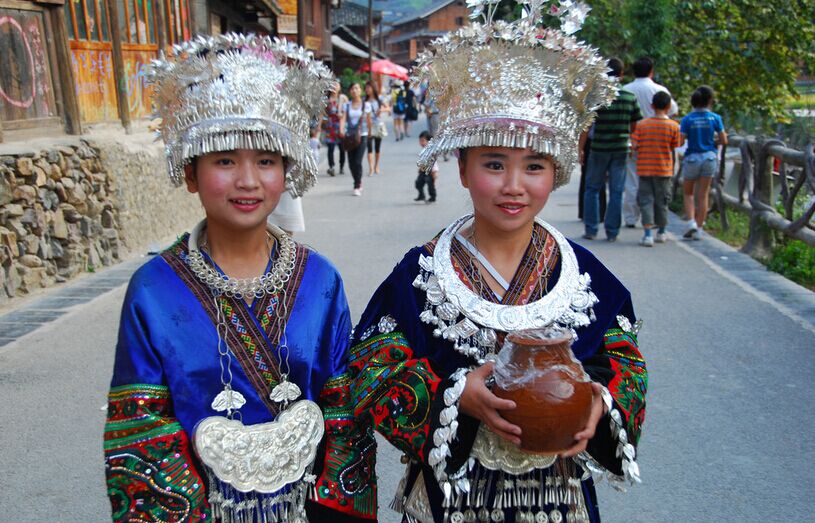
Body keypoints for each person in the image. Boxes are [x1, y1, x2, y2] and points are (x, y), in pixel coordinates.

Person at [348, 4, 646, 522]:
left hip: (560, 499)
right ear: (461, 168)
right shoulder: (419, 275)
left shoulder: (586, 276)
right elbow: (370, 370)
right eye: (493, 164)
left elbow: (625, 360)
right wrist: (457, 396)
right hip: (452, 500)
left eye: (534, 166)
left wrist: (600, 401)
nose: (514, 186)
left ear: (557, 172)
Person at [102, 34, 377, 523]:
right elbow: (142, 428)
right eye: (225, 159)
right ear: (191, 172)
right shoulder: (154, 289)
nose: (248, 180)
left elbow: (342, 409)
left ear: (286, 172)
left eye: (266, 161)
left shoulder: (320, 279)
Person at [582, 57, 642, 242]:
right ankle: (612, 231)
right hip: (621, 149)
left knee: (592, 188)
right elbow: (634, 126)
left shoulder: (597, 97)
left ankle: (591, 229)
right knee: (616, 191)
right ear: (622, 75)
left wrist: (580, 148)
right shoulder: (629, 97)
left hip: (599, 147)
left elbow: (586, 125)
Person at [621, 57, 679, 228]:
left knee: (632, 181)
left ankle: (631, 218)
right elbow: (673, 109)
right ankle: (654, 220)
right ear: (651, 71)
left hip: (634, 139)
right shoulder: (659, 89)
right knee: (658, 186)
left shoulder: (626, 90)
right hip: (658, 143)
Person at [631, 91, 682, 246]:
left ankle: (647, 235)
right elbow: (676, 145)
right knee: (662, 201)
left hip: (645, 169)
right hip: (664, 170)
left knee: (645, 201)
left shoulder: (641, 125)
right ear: (668, 106)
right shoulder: (674, 126)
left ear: (652, 106)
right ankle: (661, 231)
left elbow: (634, 145)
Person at [680, 85, 727, 240]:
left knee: (688, 193)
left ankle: (691, 222)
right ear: (709, 101)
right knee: (703, 194)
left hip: (692, 158)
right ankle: (699, 229)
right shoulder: (715, 118)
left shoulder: (687, 119)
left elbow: (680, 141)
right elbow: (724, 140)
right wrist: (712, 142)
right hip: (709, 157)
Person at [339, 82, 372, 196]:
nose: (354, 90)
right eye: (352, 89)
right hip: (349, 137)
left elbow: (368, 120)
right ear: (350, 91)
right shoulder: (346, 105)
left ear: (360, 90)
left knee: (358, 161)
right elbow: (343, 119)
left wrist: (369, 133)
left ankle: (357, 184)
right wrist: (341, 129)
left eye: (357, 88)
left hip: (362, 135)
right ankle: (357, 180)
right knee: (351, 163)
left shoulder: (366, 105)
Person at [323, 82, 345, 176]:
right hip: (330, 126)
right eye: (333, 85)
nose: (335, 87)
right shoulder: (326, 100)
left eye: (337, 85)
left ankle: (341, 166)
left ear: (340, 87)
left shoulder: (343, 98)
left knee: (342, 148)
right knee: (330, 148)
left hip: (340, 125)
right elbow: (323, 114)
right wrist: (320, 125)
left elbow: (347, 111)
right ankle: (331, 166)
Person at [365, 81, 384, 176]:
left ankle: (376, 165)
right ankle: (371, 168)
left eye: (369, 87)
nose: (367, 89)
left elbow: (389, 108)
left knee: (377, 147)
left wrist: (381, 110)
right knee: (369, 147)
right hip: (368, 126)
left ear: (373, 88)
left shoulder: (379, 99)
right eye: (366, 88)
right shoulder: (364, 100)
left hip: (378, 125)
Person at [413, 131, 438, 203]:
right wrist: (420, 168)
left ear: (429, 141)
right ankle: (421, 195)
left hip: (430, 171)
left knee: (431, 185)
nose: (421, 142)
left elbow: (434, 162)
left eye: (423, 141)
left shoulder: (431, 151)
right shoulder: (423, 150)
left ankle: (432, 197)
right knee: (418, 183)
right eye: (420, 141)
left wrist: (435, 172)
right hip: (423, 170)